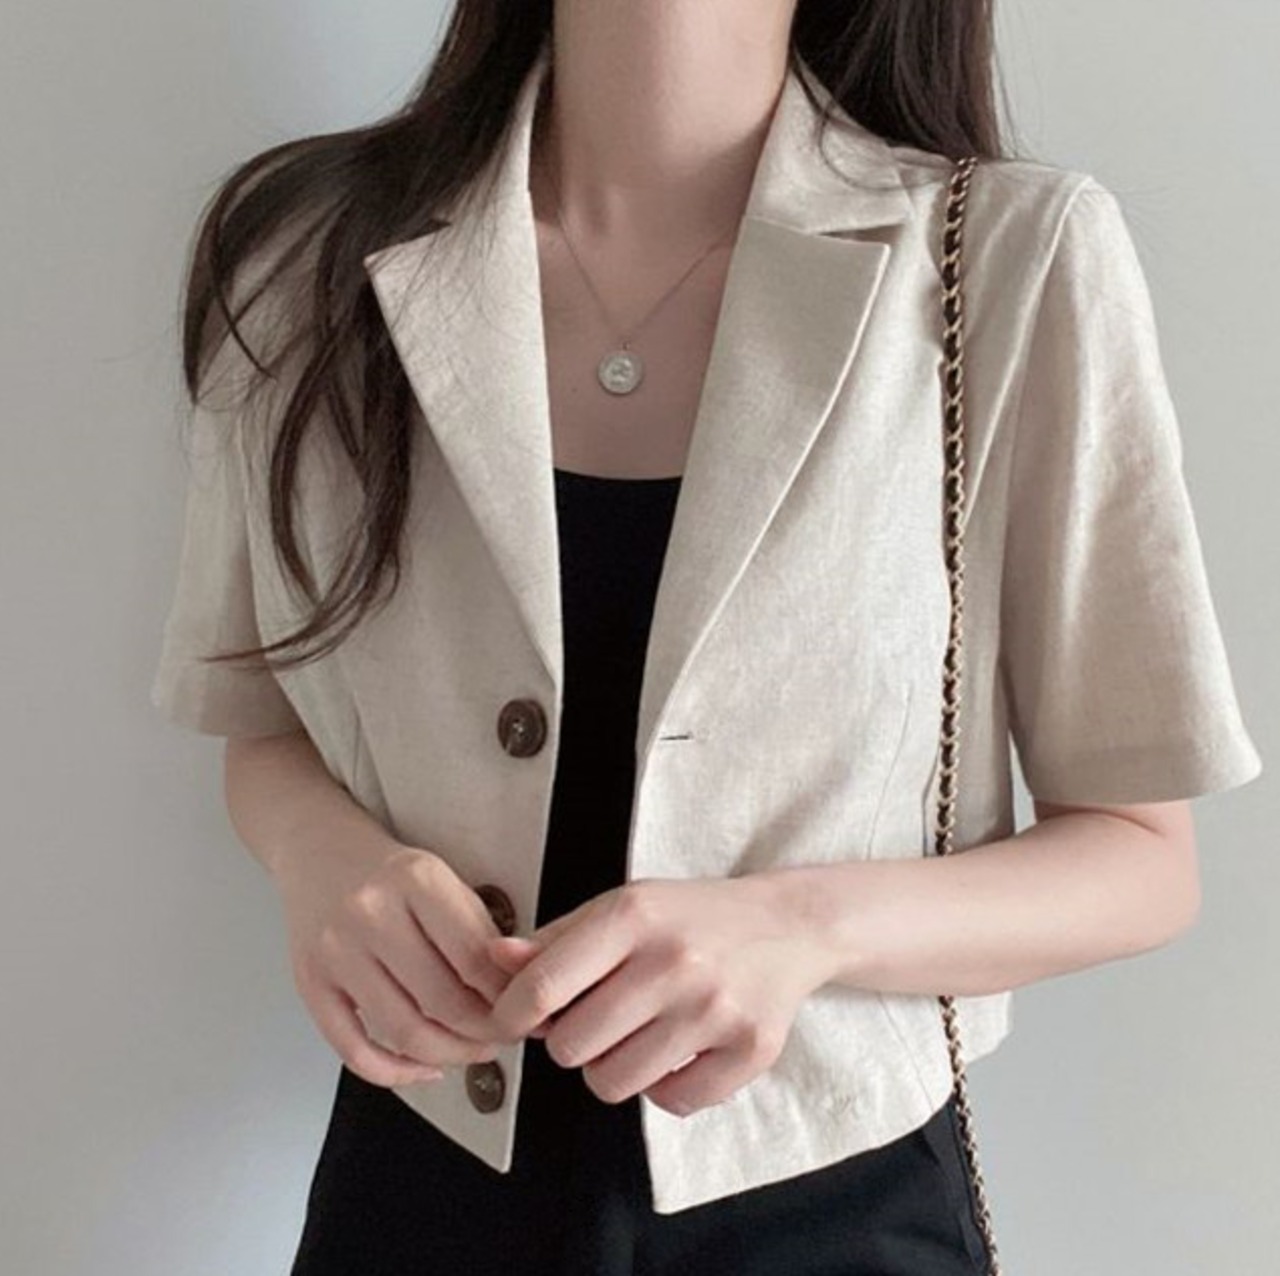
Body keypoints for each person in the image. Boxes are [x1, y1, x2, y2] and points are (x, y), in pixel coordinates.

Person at [149, 5, 1263, 1274]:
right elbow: (260, 719)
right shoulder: (303, 254)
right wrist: (323, 859)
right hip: (414, 1193)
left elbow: (1136, 853)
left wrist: (800, 928)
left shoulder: (1005, 258)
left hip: (832, 1208)